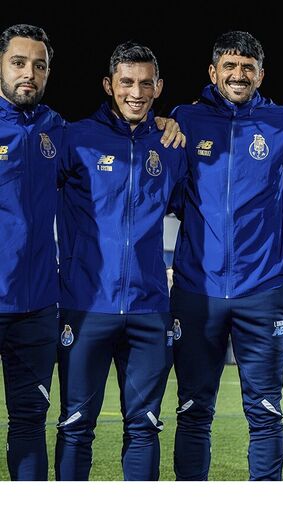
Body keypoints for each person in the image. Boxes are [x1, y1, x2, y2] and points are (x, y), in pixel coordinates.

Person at [169, 31, 283, 481]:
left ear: (260, 73)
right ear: (213, 72)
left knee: (266, 411)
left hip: (263, 289)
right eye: (230, 67)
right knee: (194, 410)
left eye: (248, 67)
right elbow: (170, 192)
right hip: (198, 289)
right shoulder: (184, 120)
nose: (239, 75)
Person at [54, 42, 187, 481]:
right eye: (126, 82)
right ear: (109, 85)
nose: (136, 92)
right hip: (86, 306)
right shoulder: (74, 138)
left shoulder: (171, 144)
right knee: (75, 427)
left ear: (158, 87)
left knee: (145, 428)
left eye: (146, 83)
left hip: (150, 309)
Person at [0, 23, 62, 481]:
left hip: (38, 307)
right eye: (18, 63)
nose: (29, 74)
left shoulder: (56, 129)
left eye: (38, 66)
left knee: (30, 425)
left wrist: (167, 120)